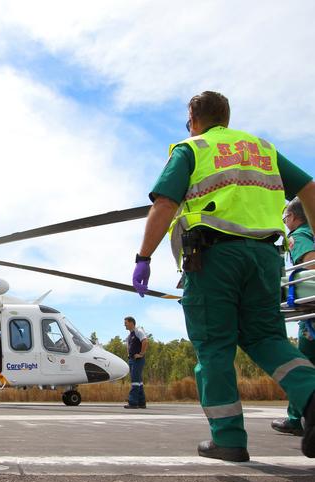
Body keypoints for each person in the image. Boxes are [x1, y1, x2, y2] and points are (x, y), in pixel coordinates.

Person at [131, 90, 315, 462]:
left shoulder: (191, 148)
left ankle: (228, 438)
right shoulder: (263, 150)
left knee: (214, 347)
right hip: (266, 258)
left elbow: (165, 203)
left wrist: (143, 256)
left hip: (212, 258)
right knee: (266, 338)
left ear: (194, 119)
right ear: (226, 118)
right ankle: (312, 395)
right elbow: (309, 188)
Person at [272, 197, 315, 436]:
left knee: (303, 361)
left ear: (295, 217)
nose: (285, 221)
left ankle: (295, 417)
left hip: (310, 311)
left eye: (286, 217)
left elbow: (311, 264)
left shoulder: (299, 236)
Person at [123, 316, 148, 409]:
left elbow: (145, 341)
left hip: (137, 359)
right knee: (139, 381)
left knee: (135, 381)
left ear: (131, 323)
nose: (124, 325)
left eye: (126, 323)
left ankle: (133, 402)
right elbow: (129, 346)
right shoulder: (130, 335)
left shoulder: (138, 331)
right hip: (132, 360)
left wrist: (141, 354)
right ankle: (142, 402)